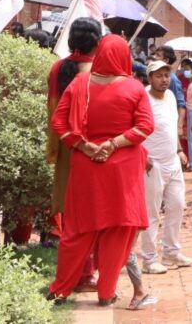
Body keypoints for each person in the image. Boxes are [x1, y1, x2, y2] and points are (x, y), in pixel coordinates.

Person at [49, 35, 155, 306]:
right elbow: (145, 126)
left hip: (86, 166)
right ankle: (106, 292)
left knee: (77, 230)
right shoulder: (134, 88)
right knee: (117, 231)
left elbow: (58, 122)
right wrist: (113, 143)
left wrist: (83, 146)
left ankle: (60, 289)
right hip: (122, 169)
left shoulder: (79, 83)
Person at [44, 17, 101, 288]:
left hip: (68, 146)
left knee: (70, 212)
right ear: (97, 41)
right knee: (94, 211)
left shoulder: (58, 68)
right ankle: (90, 271)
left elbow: (53, 113)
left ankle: (75, 272)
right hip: (95, 147)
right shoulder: (100, 70)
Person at [140, 60, 192, 274]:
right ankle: (149, 259)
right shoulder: (143, 97)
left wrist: (179, 150)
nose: (164, 80)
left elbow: (171, 127)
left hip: (172, 161)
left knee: (177, 206)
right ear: (149, 77)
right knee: (151, 213)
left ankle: (171, 252)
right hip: (152, 163)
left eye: (166, 75)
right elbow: (135, 128)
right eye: (159, 75)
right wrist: (142, 155)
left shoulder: (170, 97)